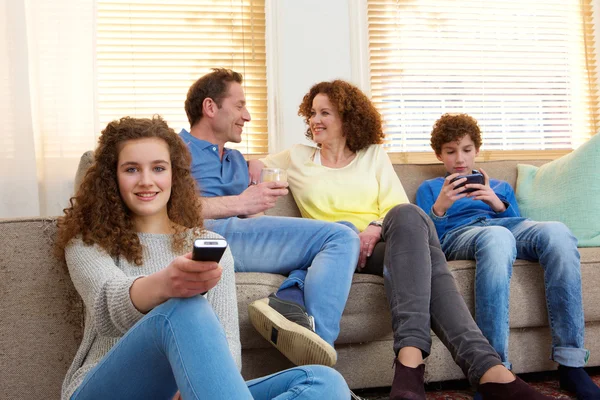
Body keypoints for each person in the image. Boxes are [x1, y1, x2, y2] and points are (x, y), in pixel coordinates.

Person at [248, 80, 553, 400]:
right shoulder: (297, 156)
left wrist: (373, 228)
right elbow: (253, 167)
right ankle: (484, 371)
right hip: (335, 248)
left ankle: (412, 367)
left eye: (325, 113)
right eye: (312, 113)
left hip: (381, 244)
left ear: (348, 119)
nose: (315, 120)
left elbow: (395, 207)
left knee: (408, 215)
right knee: (429, 258)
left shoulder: (373, 155)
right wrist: (249, 174)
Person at [55, 116, 350, 400]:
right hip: (106, 389)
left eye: (158, 168)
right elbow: (108, 309)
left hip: (195, 392)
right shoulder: (88, 240)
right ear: (112, 177)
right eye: (131, 169)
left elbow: (228, 347)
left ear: (174, 174)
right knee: (185, 309)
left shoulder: (210, 244)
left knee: (323, 382)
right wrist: (166, 285)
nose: (146, 181)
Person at [179, 68, 360, 367]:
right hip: (209, 239)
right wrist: (240, 201)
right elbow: (171, 208)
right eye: (239, 106)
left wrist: (257, 202)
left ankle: (291, 296)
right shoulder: (175, 151)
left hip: (242, 237)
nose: (247, 116)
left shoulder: (236, 160)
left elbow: (255, 221)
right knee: (339, 237)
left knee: (345, 229)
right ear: (210, 107)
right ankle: (319, 354)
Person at [416, 113, 600, 400]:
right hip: (460, 235)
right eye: (451, 152)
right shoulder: (429, 189)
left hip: (505, 227)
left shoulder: (499, 186)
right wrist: (440, 207)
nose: (460, 159)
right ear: (439, 155)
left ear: (476, 150)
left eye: (466, 150)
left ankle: (571, 364)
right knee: (497, 237)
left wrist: (495, 202)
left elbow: (518, 225)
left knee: (558, 233)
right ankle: (492, 372)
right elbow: (431, 241)